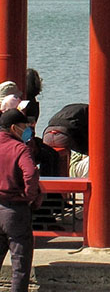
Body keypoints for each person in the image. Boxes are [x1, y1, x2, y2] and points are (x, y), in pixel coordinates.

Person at [0, 108, 42, 292]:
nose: (28, 131)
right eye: (25, 127)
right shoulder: (19, 148)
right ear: (13, 128)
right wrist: (30, 196)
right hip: (15, 209)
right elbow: (31, 174)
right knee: (20, 264)